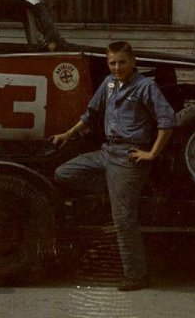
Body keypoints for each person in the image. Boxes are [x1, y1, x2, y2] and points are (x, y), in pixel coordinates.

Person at [50, 41, 176, 291]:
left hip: (128, 157)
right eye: (112, 62)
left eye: (121, 62)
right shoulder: (109, 83)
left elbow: (168, 121)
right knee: (63, 173)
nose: (117, 67)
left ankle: (137, 275)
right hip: (106, 152)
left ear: (133, 62)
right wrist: (67, 134)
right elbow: (90, 114)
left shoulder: (145, 87)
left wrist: (151, 153)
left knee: (123, 218)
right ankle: (114, 188)